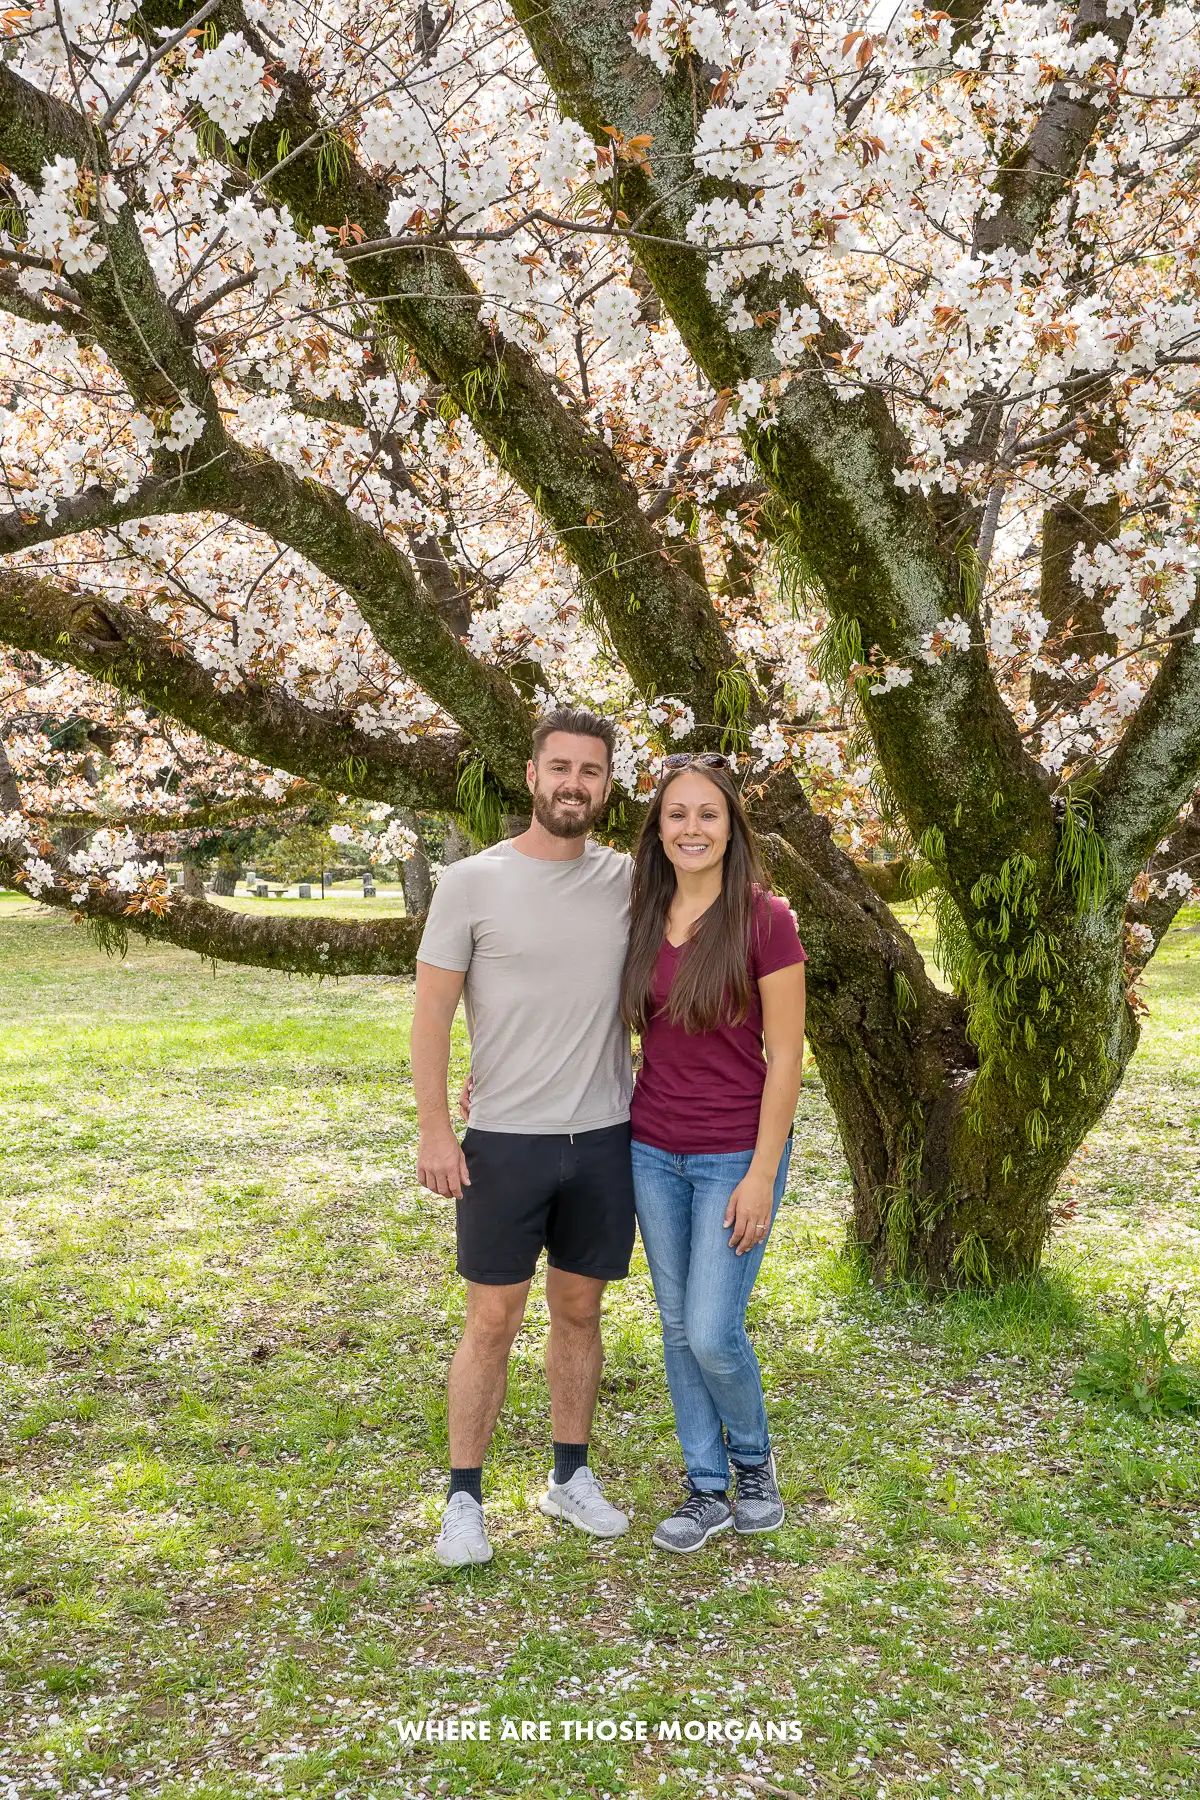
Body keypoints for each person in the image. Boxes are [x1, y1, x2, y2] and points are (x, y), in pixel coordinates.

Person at [412, 708, 634, 1567]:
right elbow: (431, 1012)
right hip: (502, 1141)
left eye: (591, 771)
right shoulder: (471, 881)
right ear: (533, 775)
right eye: (560, 768)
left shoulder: (627, 879)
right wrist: (438, 1128)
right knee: (492, 1320)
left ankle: (569, 1477)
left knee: (580, 1312)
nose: (574, 783)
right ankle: (463, 1498)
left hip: (606, 1138)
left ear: (606, 787)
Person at [621, 754, 807, 1553]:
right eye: (677, 815)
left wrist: (763, 1174)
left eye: (707, 815)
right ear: (657, 829)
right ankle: (705, 1488)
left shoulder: (768, 920)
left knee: (711, 1330)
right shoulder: (636, 914)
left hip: (736, 1152)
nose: (691, 828)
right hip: (652, 1149)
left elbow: (789, 1057)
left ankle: (754, 1462)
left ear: (732, 829)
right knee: (673, 1327)